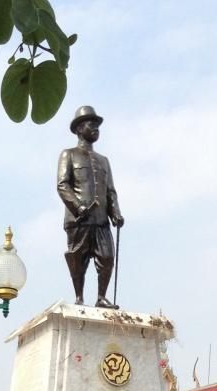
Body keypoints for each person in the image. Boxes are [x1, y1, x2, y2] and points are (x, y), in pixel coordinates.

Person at [57, 105, 124, 308]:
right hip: (79, 219)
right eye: (91, 124)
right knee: (78, 259)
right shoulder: (68, 154)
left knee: (107, 258)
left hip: (101, 220)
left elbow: (110, 191)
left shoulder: (104, 161)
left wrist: (116, 213)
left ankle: (101, 297)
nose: (95, 128)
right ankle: (79, 297)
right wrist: (78, 206)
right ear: (79, 128)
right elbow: (62, 185)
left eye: (97, 125)